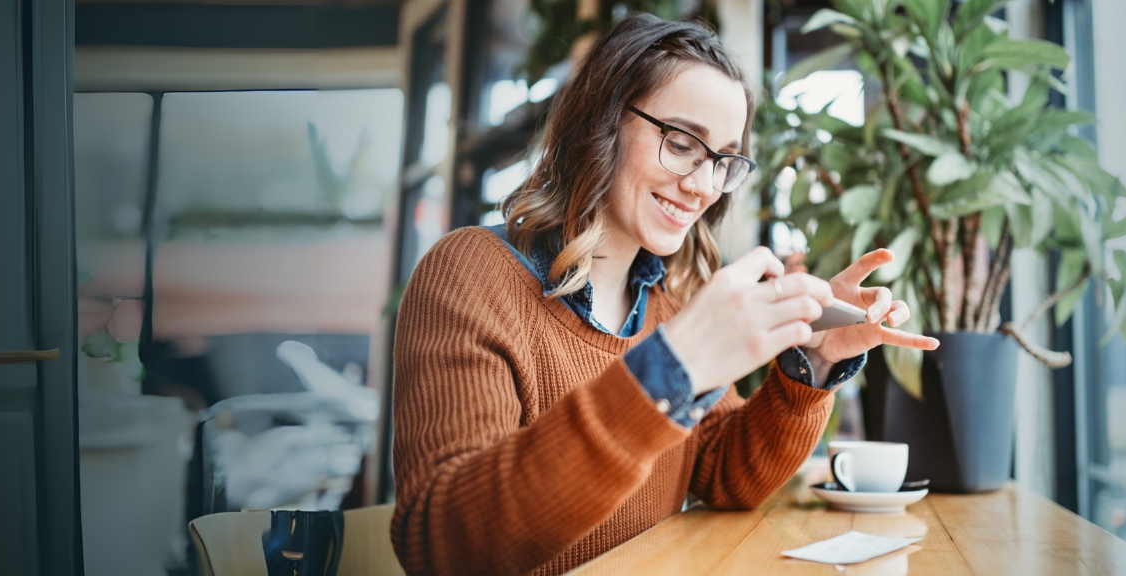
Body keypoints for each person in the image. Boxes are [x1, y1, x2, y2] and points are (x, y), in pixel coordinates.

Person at [388, 14, 937, 576]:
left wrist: (813, 364)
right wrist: (671, 367)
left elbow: (725, 473)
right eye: (680, 143)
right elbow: (443, 547)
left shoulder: (666, 302)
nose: (701, 185)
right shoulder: (471, 274)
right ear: (600, 123)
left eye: (723, 160)